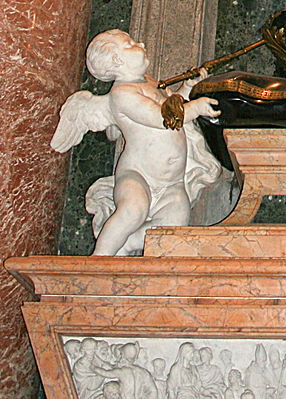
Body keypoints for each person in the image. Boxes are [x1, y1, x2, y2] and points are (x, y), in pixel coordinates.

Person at [51, 29, 220, 255]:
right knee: (133, 210)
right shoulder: (122, 95)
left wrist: (188, 87)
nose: (140, 42)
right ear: (117, 60)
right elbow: (162, 118)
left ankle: (128, 244)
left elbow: (173, 105)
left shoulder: (150, 83)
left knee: (174, 225)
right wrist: (196, 108)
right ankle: (99, 261)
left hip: (172, 183)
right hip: (138, 175)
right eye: (130, 44)